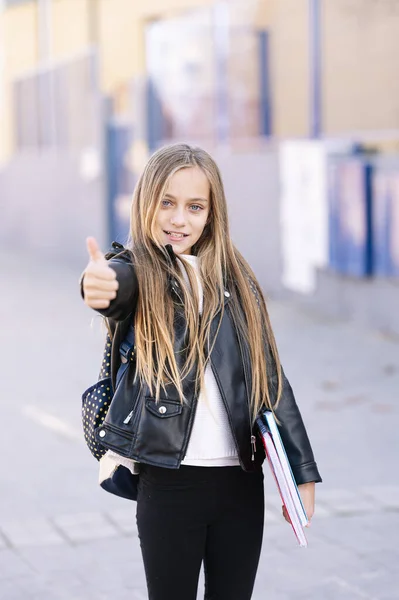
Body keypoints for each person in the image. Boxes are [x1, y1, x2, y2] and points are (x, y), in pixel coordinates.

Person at [81, 143, 322, 600]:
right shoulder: (139, 271)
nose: (178, 219)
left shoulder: (238, 281)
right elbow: (115, 289)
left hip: (241, 484)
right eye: (167, 203)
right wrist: (100, 285)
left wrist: (301, 472)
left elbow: (269, 379)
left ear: (212, 214)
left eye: (195, 207)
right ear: (145, 201)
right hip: (170, 484)